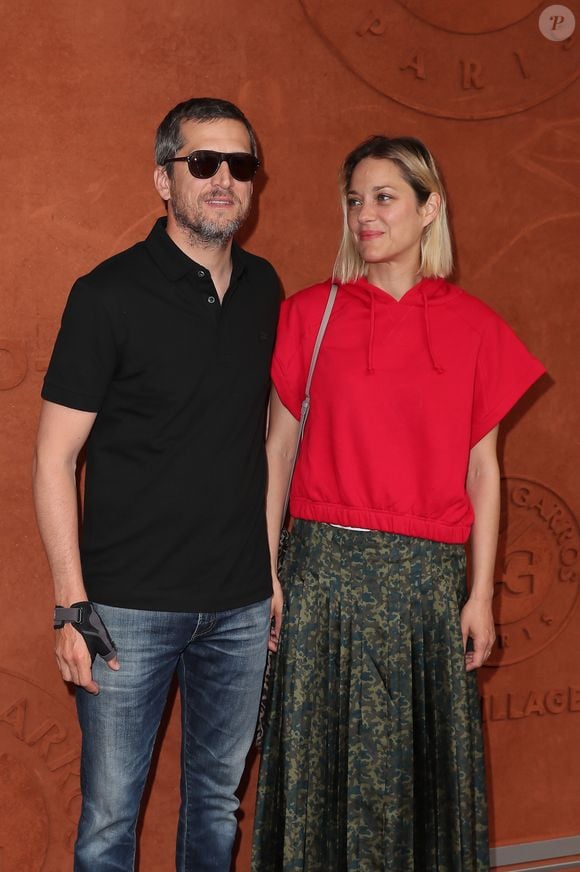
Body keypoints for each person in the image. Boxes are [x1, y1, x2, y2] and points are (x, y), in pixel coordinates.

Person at [252, 135, 545, 871]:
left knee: (420, 779)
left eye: (384, 197)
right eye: (355, 199)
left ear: (429, 208)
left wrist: (480, 596)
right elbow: (276, 455)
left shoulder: (476, 327)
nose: (365, 214)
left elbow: (485, 471)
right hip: (322, 573)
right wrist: (269, 575)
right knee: (318, 771)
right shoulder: (306, 315)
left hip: (427, 583)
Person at [32, 97, 281, 872]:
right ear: (162, 180)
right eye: (202, 162)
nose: (223, 180)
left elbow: (272, 442)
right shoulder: (106, 295)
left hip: (240, 607)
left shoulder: (267, 290)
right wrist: (72, 608)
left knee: (216, 800)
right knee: (110, 818)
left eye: (239, 166)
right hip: (125, 612)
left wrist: (269, 576)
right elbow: (53, 460)